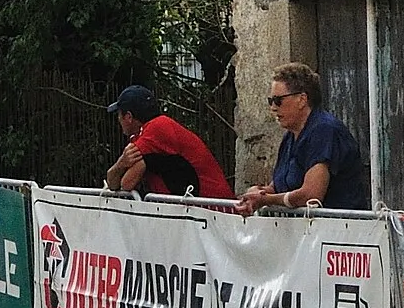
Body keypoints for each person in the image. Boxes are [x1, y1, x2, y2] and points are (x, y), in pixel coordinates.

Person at [238, 64, 368, 214]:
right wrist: (258, 192)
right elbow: (279, 187)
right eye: (270, 101)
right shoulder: (290, 136)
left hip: (338, 230)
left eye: (278, 100)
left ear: (302, 99)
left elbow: (311, 195)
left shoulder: (324, 131)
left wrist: (266, 200)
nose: (273, 107)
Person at [103, 87, 232, 200]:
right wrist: (121, 164)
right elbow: (114, 183)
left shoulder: (157, 128)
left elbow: (125, 184)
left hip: (212, 207)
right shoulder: (146, 134)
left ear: (129, 117)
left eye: (119, 115)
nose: (118, 120)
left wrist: (121, 164)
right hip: (202, 207)